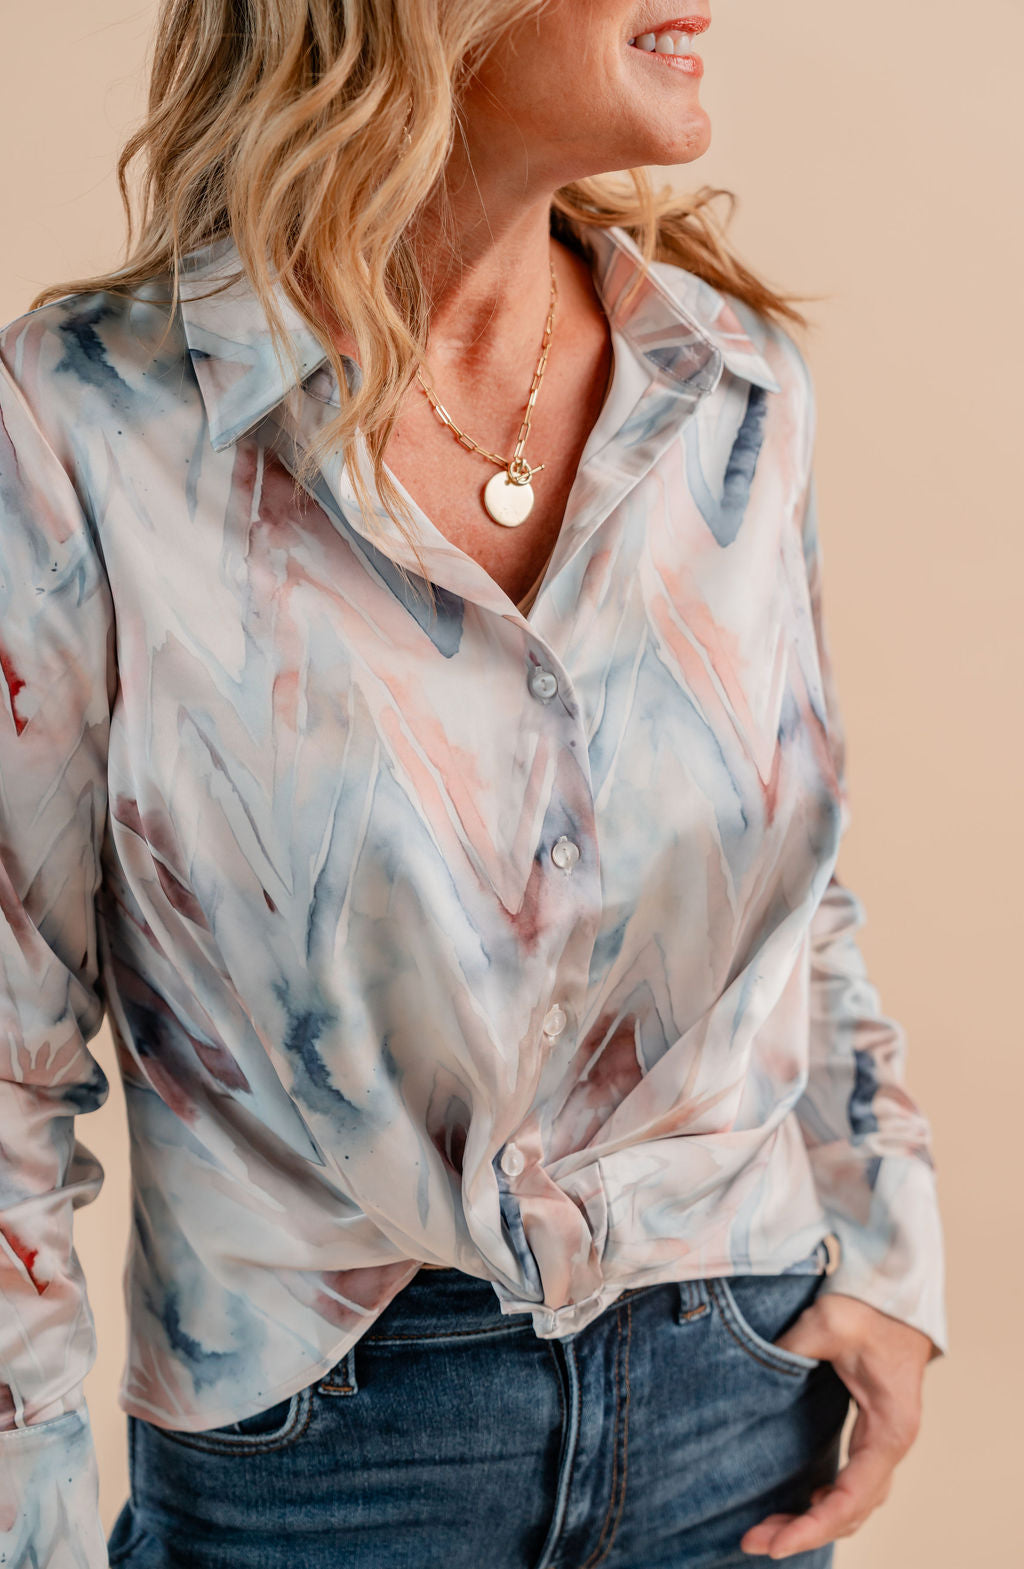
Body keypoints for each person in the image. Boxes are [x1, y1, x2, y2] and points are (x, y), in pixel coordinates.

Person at [0, 1, 948, 1565]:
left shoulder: (730, 389)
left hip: (736, 1399)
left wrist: (892, 1245)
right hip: (320, 1459)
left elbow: (801, 891)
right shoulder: (90, 427)